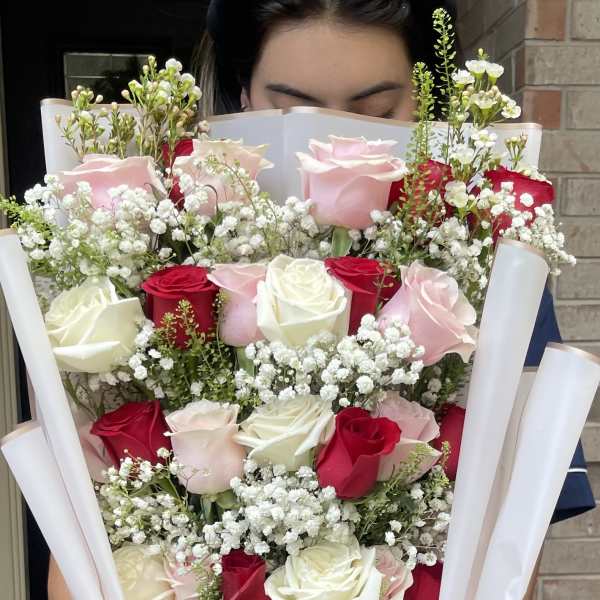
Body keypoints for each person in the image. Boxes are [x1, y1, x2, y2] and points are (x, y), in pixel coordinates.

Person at [48, 1, 595, 598]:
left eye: (377, 113)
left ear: (424, 103)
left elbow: (516, 542)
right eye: (289, 107)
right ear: (243, 97)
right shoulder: (159, 255)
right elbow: (77, 555)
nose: (338, 143)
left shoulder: (484, 274)